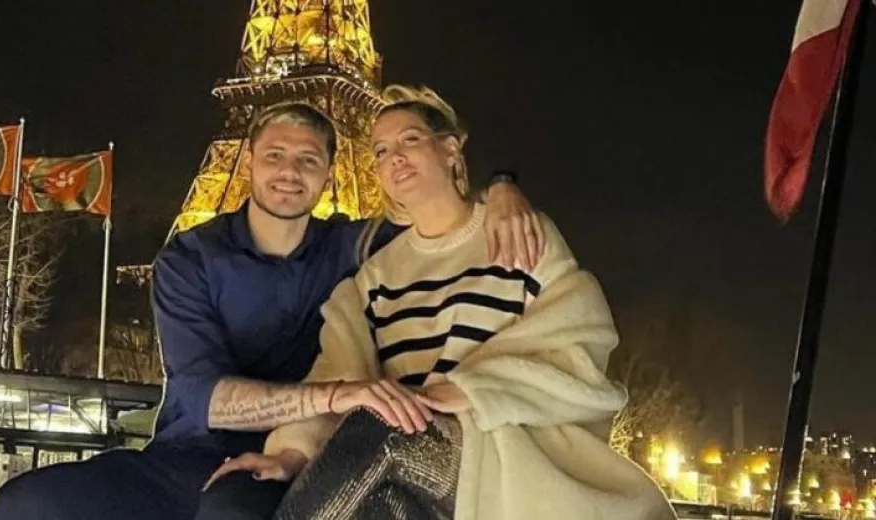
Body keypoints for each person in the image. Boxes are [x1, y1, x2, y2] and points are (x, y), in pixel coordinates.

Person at [0, 100, 543, 520]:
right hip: (186, 456)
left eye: (308, 160)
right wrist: (338, 394)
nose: (290, 172)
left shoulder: (354, 247)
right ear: (247, 159)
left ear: (330, 173)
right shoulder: (190, 258)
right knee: (25, 502)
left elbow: (442, 215)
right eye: (275, 155)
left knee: (230, 511)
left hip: (300, 457)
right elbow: (203, 397)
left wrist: (501, 187)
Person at [209, 85, 678, 520]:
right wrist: (292, 452)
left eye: (410, 140)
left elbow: (579, 345)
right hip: (409, 471)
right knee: (373, 500)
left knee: (386, 425)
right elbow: (338, 374)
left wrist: (470, 391)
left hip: (507, 462)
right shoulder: (373, 277)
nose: (395, 157)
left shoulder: (517, 234)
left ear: (450, 149)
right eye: (381, 151)